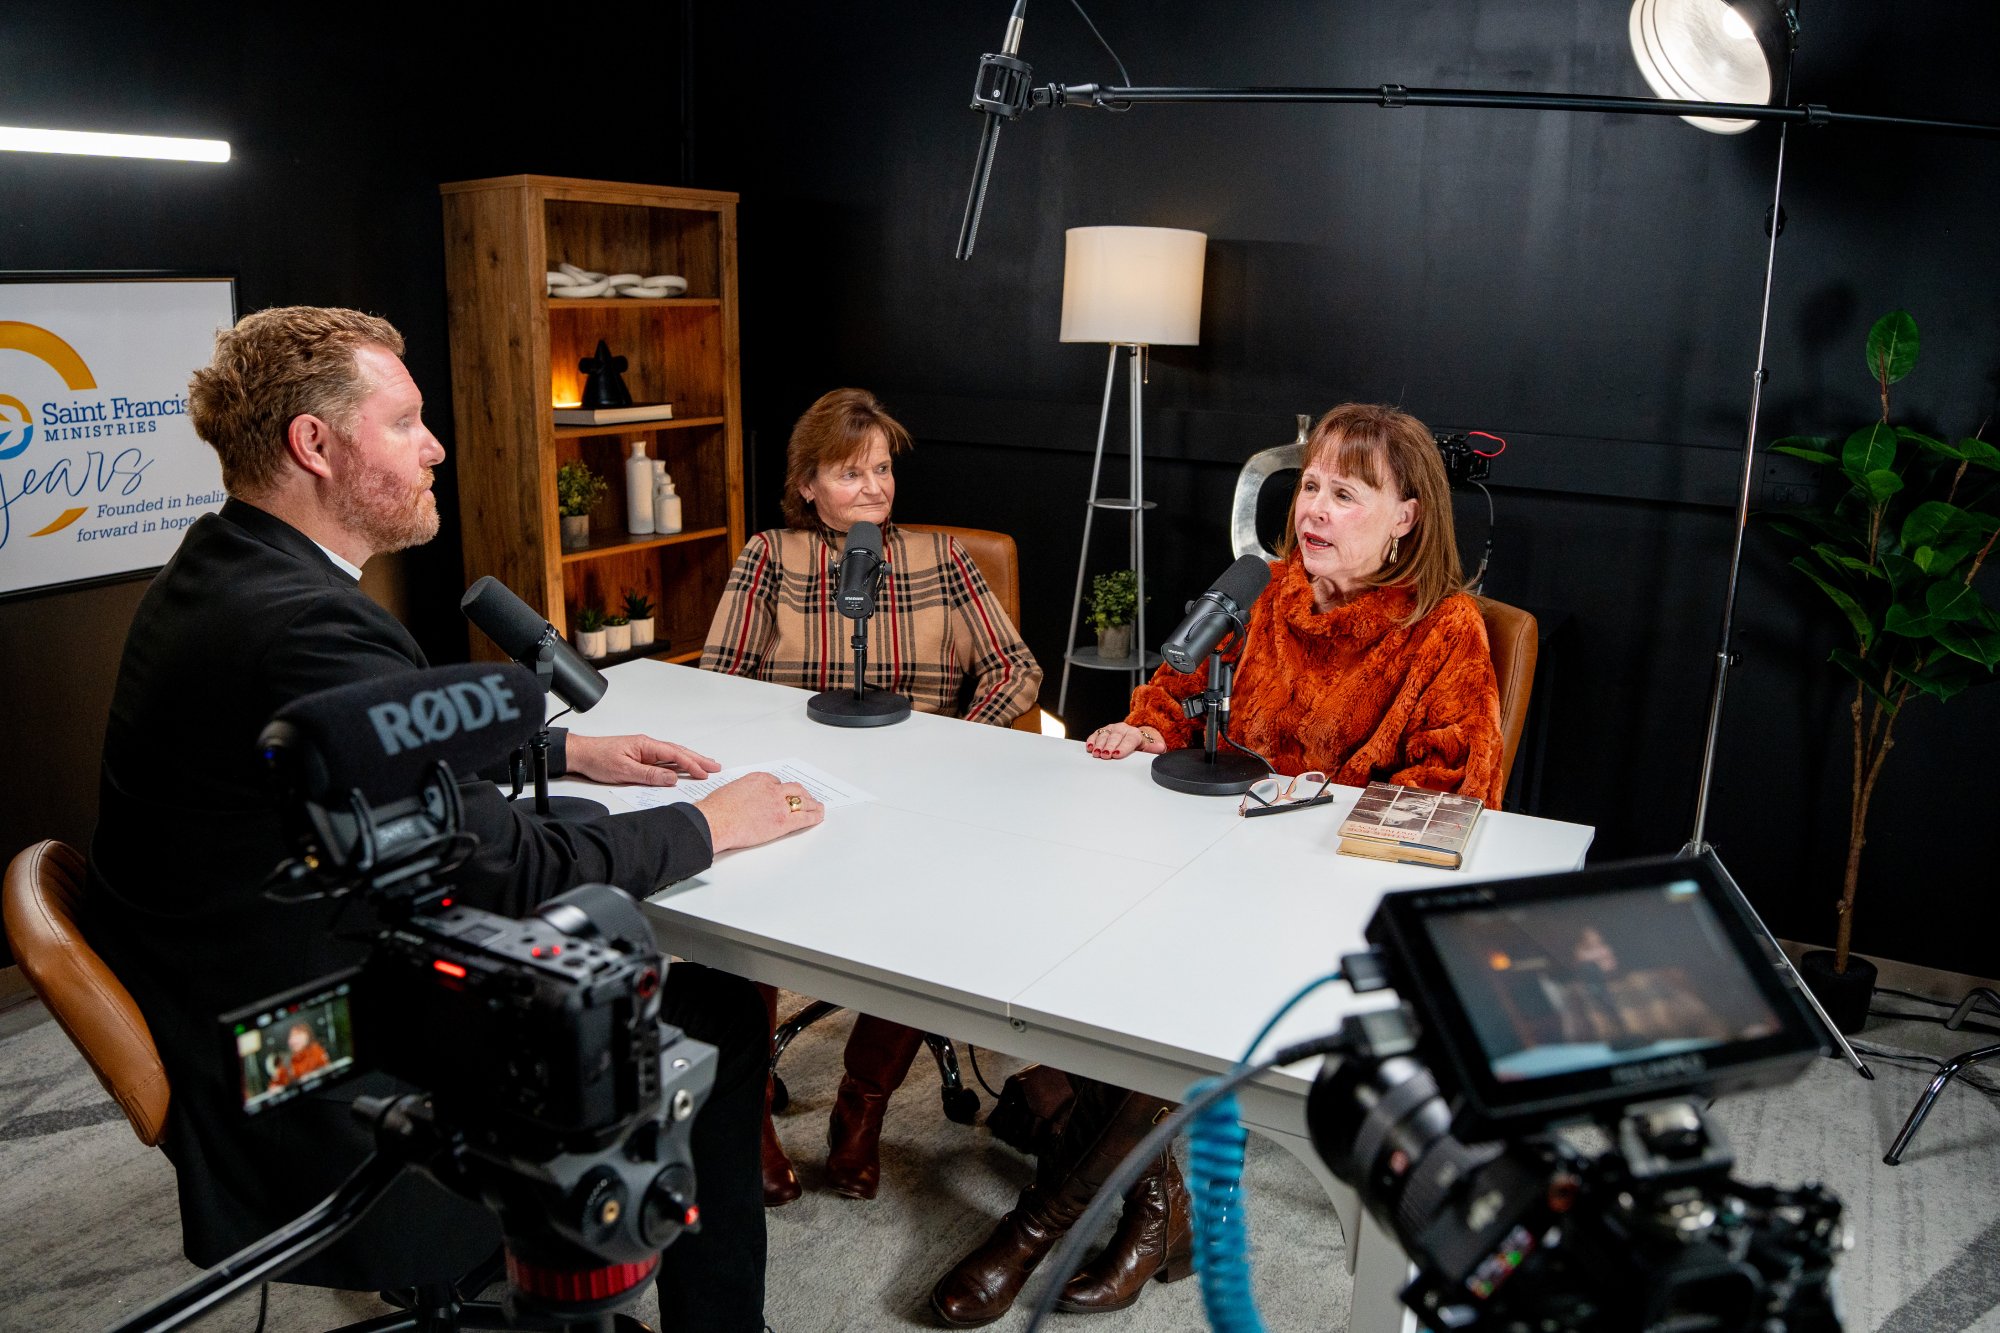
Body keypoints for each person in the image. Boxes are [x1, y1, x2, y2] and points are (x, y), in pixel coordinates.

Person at [83, 306, 822, 1332]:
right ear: (315, 445)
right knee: (717, 1012)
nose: (435, 447)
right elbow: (508, 873)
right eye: (405, 423)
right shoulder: (309, 624)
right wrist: (712, 822)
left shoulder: (226, 569)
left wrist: (560, 751)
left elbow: (349, 755)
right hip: (299, 1072)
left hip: (234, 1003)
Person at [930, 402, 1505, 1324]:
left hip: (1327, 912)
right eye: (1310, 485)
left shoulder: (1447, 631)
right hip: (1207, 874)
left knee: (1169, 991)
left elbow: (1449, 802)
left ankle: (1035, 1227)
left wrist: (1299, 837)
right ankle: (1159, 1210)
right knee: (1098, 946)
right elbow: (1176, 690)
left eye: (1346, 493)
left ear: (1406, 516)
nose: (1313, 507)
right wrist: (1144, 727)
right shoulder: (1265, 593)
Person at [700, 387, 1042, 1208]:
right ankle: (748, 1107)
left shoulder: (941, 558)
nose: (874, 488)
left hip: (916, 794)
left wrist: (951, 743)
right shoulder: (770, 556)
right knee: (739, 917)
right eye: (850, 473)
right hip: (795, 792)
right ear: (807, 484)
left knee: (931, 924)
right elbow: (721, 679)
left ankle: (862, 1105)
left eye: (882, 470)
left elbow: (1016, 669)